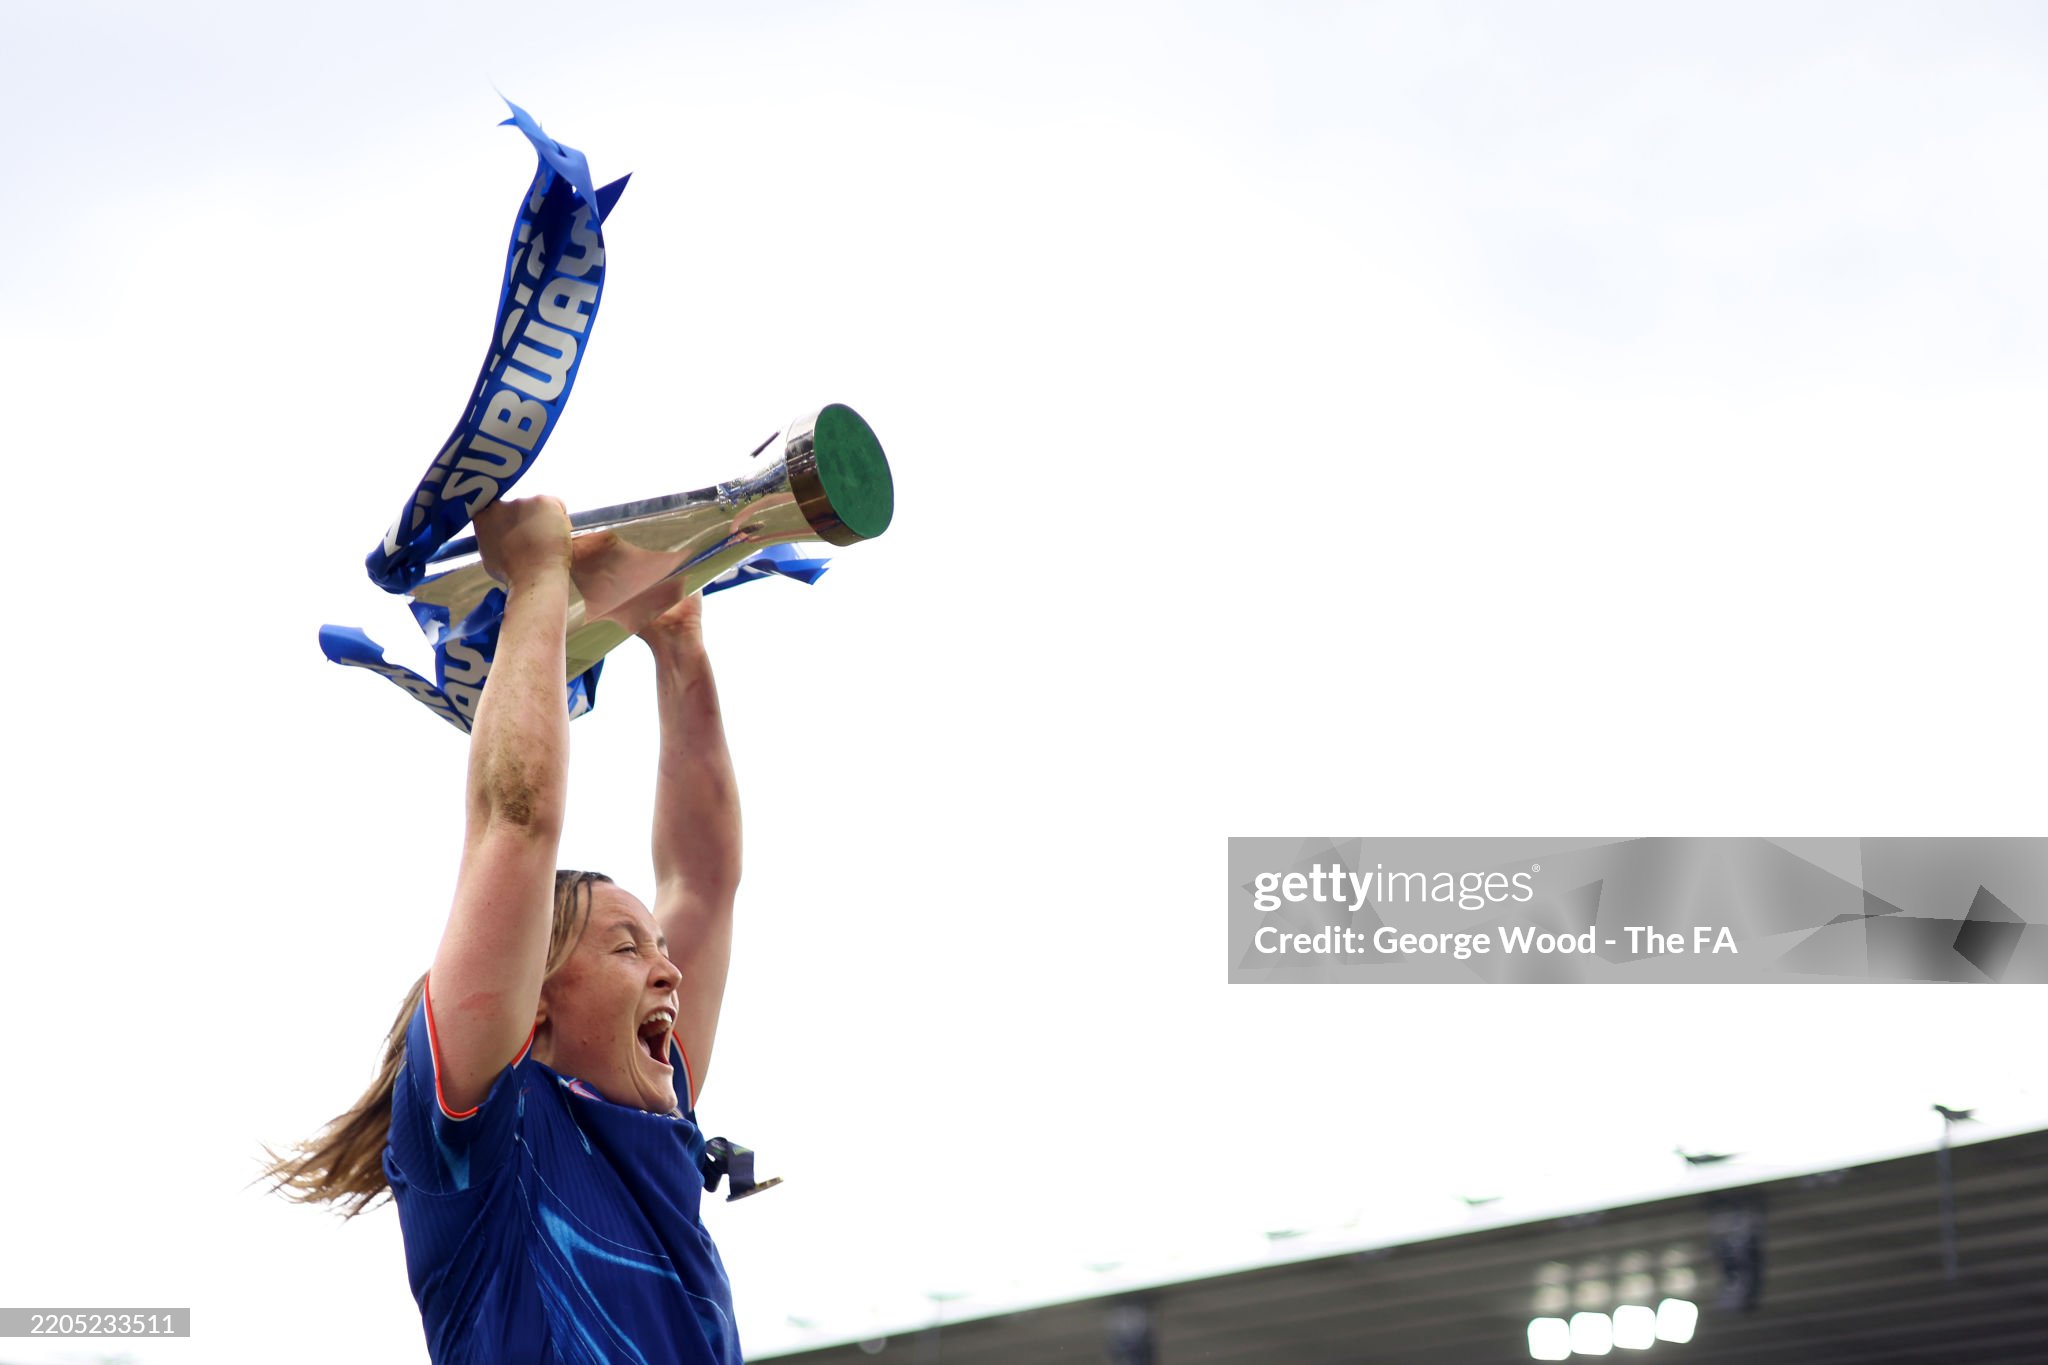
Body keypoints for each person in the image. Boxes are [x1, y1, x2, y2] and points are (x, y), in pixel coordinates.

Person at [269, 495, 750, 1364]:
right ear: (533, 1011)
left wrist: (679, 643)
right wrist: (536, 583)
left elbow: (704, 881)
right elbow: (513, 824)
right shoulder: (479, 1143)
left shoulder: (649, 1114)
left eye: (658, 947)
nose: (670, 971)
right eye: (626, 946)